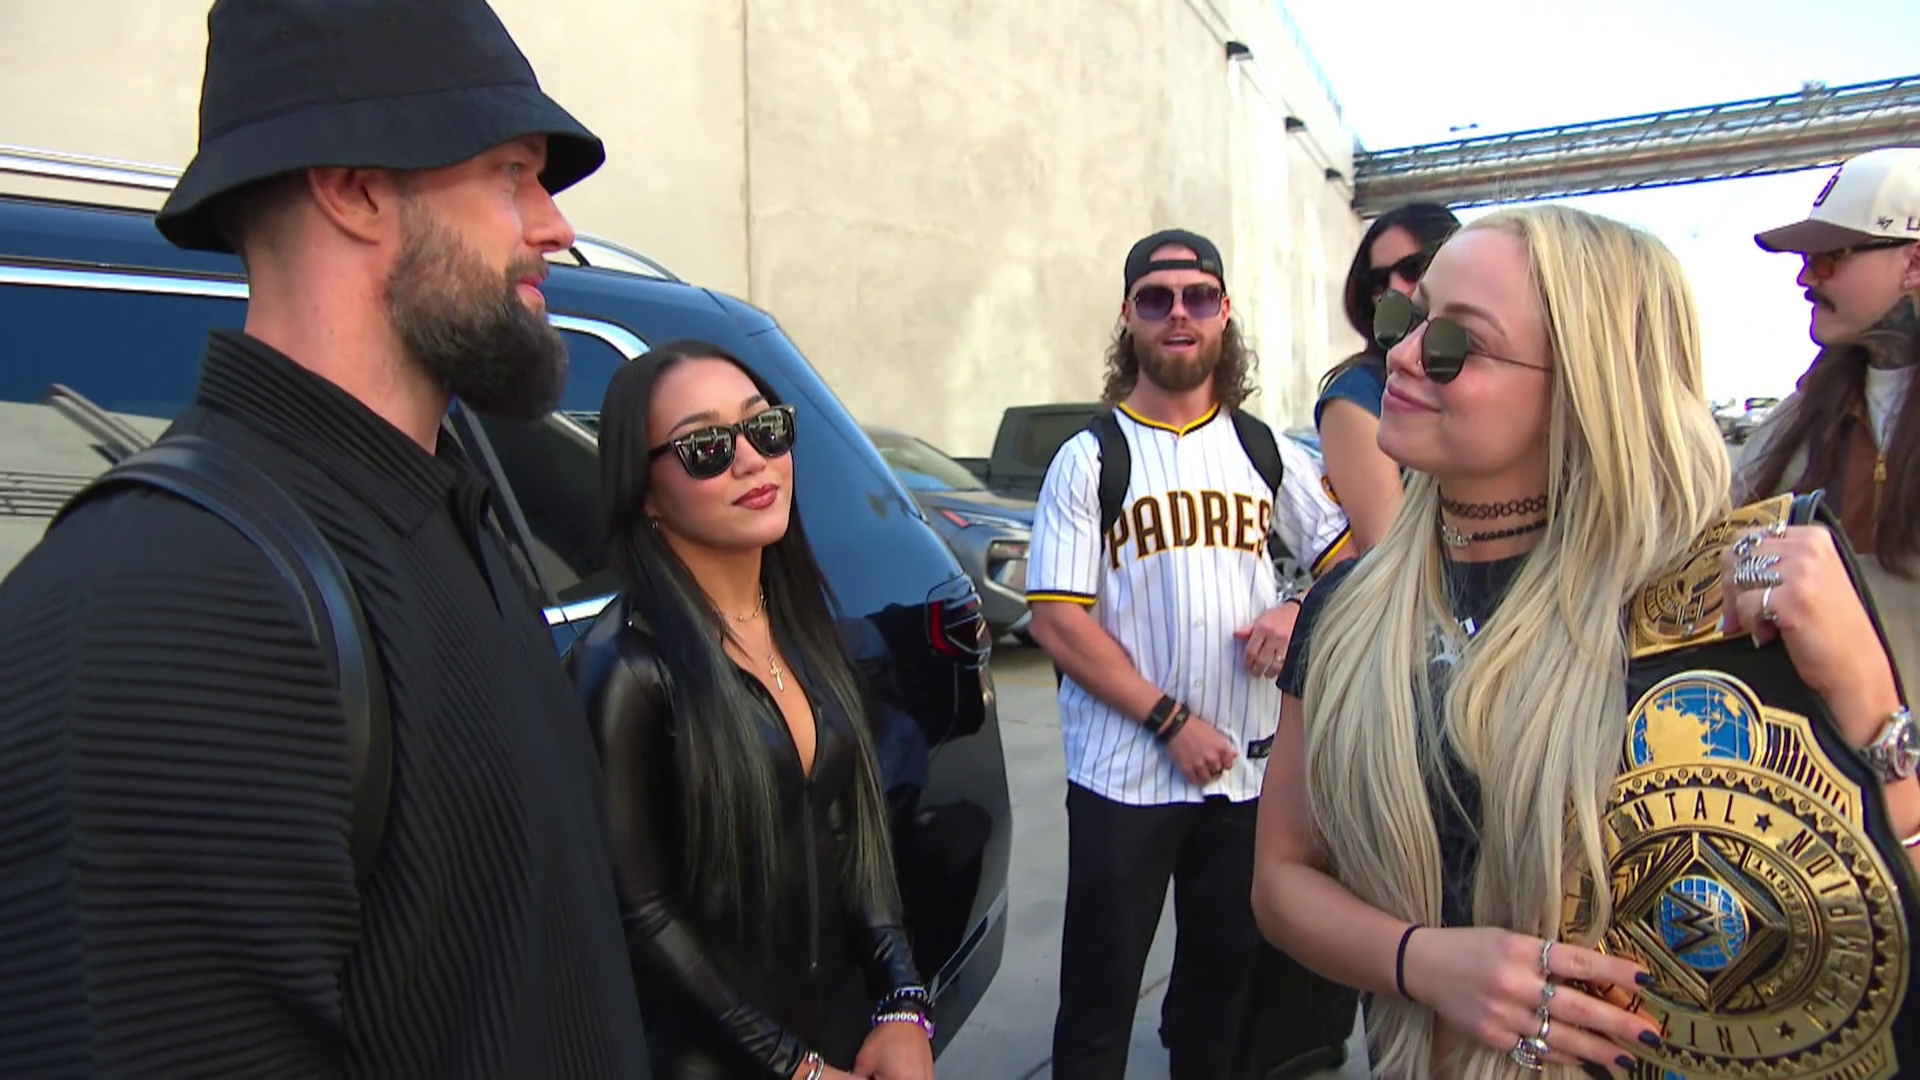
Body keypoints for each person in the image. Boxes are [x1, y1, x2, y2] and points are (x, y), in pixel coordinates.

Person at [0, 0, 651, 1075]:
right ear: (353, 188)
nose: (554, 225)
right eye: (510, 173)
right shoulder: (168, 610)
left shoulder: (446, 517)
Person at [1253, 204, 1920, 1079]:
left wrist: (1872, 708)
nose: (1404, 356)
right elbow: (1282, 878)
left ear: (1586, 384)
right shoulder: (1349, 609)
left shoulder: (1710, 600)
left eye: (1455, 344)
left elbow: (1863, 930)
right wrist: (1421, 961)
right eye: (1404, 323)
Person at [565, 342, 937, 1080]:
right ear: (644, 491)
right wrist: (793, 1068)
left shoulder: (807, 628)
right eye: (705, 447)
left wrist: (902, 1005)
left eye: (765, 428)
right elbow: (640, 917)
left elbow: (854, 834)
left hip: (837, 1040)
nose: (751, 461)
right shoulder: (627, 670)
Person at [1026, 228, 1348, 1080]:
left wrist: (1298, 608)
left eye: (1198, 296)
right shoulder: (1090, 458)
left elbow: (1351, 558)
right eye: (1157, 298)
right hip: (1124, 774)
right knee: (1098, 1000)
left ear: (1223, 312)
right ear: (1128, 317)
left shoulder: (1263, 450)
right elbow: (1057, 620)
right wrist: (1171, 721)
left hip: (1243, 771)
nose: (1179, 314)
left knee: (1219, 999)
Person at [1738, 146, 1920, 693]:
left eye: (1828, 258)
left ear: (1913, 263)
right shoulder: (1793, 423)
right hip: (1824, 743)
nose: (1804, 278)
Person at [1315, 202, 1461, 553]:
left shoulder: (1490, 371)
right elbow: (1387, 549)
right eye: (1379, 281)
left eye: (1413, 269)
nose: (1394, 290)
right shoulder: (1356, 395)